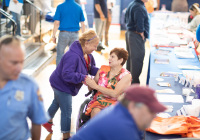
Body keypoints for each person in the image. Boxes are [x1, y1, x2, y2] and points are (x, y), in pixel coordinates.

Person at [42, 30, 99, 140]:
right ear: (86, 43)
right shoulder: (72, 56)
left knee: (57, 102)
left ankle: (46, 119)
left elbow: (90, 68)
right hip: (61, 85)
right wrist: (83, 78)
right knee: (67, 111)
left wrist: (101, 71)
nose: (95, 49)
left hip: (60, 83)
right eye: (94, 46)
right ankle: (66, 136)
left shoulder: (88, 55)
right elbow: (67, 75)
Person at [70, 84, 166, 140]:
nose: (154, 116)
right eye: (151, 111)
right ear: (133, 107)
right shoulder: (123, 128)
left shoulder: (119, 110)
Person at [0, 35, 49, 140]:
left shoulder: (29, 85)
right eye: (14, 63)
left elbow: (37, 121)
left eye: (21, 62)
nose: (19, 68)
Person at [85, 48, 132, 118]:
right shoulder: (102, 69)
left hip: (116, 102)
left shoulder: (126, 76)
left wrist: (96, 86)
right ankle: (96, 128)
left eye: (112, 57)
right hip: (99, 100)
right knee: (95, 111)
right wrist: (89, 82)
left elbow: (115, 94)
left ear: (120, 60)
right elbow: (91, 88)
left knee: (111, 115)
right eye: (110, 56)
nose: (109, 59)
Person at [52, 0, 85, 65]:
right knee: (73, 56)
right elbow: (83, 24)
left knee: (60, 55)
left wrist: (53, 35)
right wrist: (83, 37)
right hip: (75, 35)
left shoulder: (60, 7)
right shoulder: (78, 7)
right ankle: (71, 73)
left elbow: (56, 23)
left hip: (63, 34)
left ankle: (59, 74)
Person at [125, 0, 149, 84]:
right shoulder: (139, 7)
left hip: (130, 33)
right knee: (137, 59)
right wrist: (141, 33)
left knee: (131, 59)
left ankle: (129, 82)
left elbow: (125, 20)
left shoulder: (133, 4)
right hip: (136, 35)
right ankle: (134, 84)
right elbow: (139, 24)